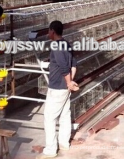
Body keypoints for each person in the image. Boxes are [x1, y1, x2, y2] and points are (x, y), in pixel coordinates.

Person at [36, 20, 79, 159]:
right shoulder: (66, 44)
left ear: (52, 31)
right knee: (65, 114)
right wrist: (71, 82)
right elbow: (73, 64)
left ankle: (51, 149)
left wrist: (68, 83)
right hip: (65, 87)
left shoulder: (57, 46)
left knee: (49, 117)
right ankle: (64, 143)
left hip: (57, 87)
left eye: (49, 31)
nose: (48, 33)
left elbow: (64, 67)